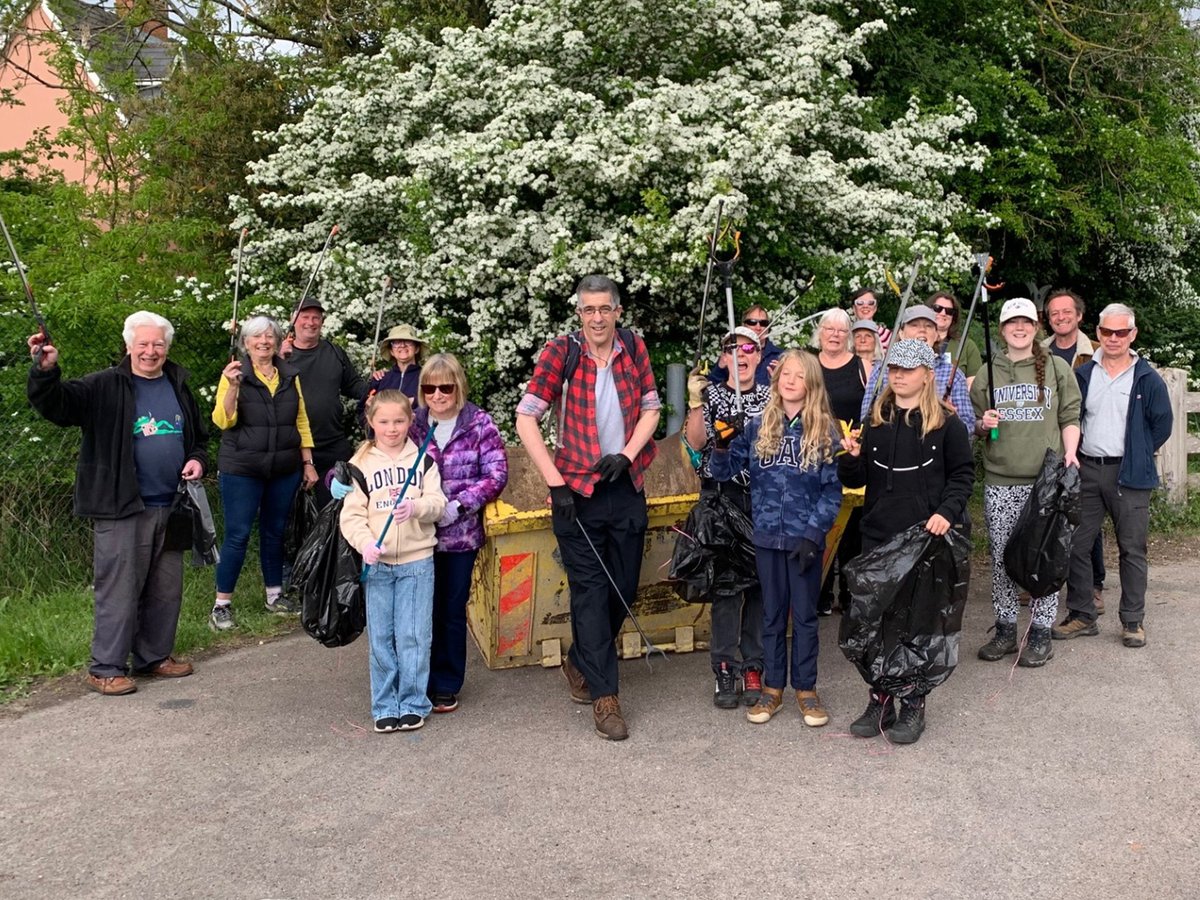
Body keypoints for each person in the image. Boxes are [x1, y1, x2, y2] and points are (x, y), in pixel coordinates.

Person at [26, 312, 208, 694]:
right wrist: (45, 372)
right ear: (128, 346)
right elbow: (58, 407)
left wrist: (197, 459)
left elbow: (197, 437)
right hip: (122, 506)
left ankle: (153, 657)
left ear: (167, 347)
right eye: (142, 343)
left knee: (165, 590)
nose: (150, 351)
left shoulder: (177, 383)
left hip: (172, 505)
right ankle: (106, 667)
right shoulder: (105, 385)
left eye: (158, 344)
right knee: (119, 589)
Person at [515, 274, 661, 741]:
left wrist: (628, 453)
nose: (596, 318)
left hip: (625, 481)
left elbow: (653, 409)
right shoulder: (562, 351)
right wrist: (556, 484)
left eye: (604, 309)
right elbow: (526, 418)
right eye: (588, 310)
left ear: (618, 311)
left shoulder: (634, 348)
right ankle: (605, 696)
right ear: (579, 313)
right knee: (590, 592)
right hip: (576, 491)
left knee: (624, 587)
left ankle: (580, 659)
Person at [838, 339, 975, 743]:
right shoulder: (876, 421)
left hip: (925, 541)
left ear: (927, 375)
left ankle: (913, 702)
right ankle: (880, 697)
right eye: (893, 368)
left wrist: (945, 513)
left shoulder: (948, 425)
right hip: (879, 537)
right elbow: (856, 479)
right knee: (876, 622)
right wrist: (849, 458)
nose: (898, 375)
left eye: (907, 369)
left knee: (918, 621)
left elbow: (963, 476)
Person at [710, 350, 842, 728]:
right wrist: (721, 443)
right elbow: (724, 471)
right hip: (767, 537)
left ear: (811, 384)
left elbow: (832, 491)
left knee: (803, 617)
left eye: (799, 376)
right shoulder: (757, 425)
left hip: (804, 540)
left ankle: (806, 689)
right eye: (786, 373)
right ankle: (772, 688)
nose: (790, 380)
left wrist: (814, 533)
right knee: (770, 616)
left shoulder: (825, 430)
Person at [1052, 303, 1172, 649]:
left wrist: (1137, 451)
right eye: (1108, 332)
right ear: (1098, 334)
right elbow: (1070, 416)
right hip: (1087, 468)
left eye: (1122, 332)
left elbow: (1161, 425)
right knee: (1076, 543)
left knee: (1132, 549)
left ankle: (1133, 621)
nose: (1114, 338)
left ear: (1133, 335)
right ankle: (1082, 614)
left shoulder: (1147, 378)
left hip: (1129, 472)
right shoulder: (1085, 374)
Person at [971, 298, 1081, 667]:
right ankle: (1004, 629)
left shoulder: (1056, 367)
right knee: (1003, 559)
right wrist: (982, 425)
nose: (1019, 328)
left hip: (1044, 481)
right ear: (1002, 330)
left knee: (1043, 558)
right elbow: (974, 424)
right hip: (1001, 478)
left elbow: (1069, 415)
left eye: (1027, 322)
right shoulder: (989, 371)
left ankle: (1040, 632)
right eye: (1012, 323)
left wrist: (1070, 455)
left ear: (1036, 327)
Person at [340, 390, 447, 732]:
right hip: (378, 564)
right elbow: (351, 516)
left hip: (417, 561)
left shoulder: (425, 460)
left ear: (410, 421)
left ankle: (414, 701)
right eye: (383, 421)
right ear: (370, 422)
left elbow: (438, 503)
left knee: (414, 635)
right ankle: (385, 704)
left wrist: (417, 508)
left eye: (399, 421)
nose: (391, 428)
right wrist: (365, 543)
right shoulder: (359, 465)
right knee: (382, 638)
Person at [409, 354, 508, 713]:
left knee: (450, 609)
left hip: (459, 536)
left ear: (458, 387)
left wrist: (460, 505)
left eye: (445, 387)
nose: (437, 394)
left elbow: (496, 474)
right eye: (429, 387)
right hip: (416, 533)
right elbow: (381, 453)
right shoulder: (413, 422)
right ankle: (416, 680)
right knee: (418, 610)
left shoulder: (479, 422)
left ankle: (447, 682)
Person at [211, 316, 319, 630]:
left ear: (276, 341)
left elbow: (300, 419)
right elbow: (223, 421)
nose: (264, 342)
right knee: (238, 535)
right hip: (242, 469)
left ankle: (274, 595)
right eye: (256, 337)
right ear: (246, 344)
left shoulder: (288, 374)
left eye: (269, 336)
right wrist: (232, 388)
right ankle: (222, 604)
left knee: (274, 532)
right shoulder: (234, 374)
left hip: (283, 468)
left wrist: (308, 462)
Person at [684, 326, 771, 709]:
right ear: (724, 357)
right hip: (721, 500)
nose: (742, 354)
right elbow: (696, 442)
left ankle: (753, 664)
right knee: (725, 589)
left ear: (759, 354)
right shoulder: (713, 394)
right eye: (733, 348)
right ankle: (723, 666)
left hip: (760, 499)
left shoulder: (771, 397)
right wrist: (696, 402)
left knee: (758, 589)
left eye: (749, 347)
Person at [1041, 288, 1106, 614]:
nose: (1061, 317)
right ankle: (1038, 575)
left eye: (1067, 312)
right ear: (1048, 319)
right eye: (1054, 313)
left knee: (1084, 519)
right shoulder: (1038, 352)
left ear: (1079, 316)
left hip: (1086, 445)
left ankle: (1093, 585)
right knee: (1044, 512)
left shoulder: (1095, 352)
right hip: (1047, 443)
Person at [280, 296, 369, 507]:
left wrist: (376, 390)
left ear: (322, 321)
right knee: (286, 515)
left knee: (334, 511)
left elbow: (353, 385)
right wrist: (277, 359)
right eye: (305, 317)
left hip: (332, 445)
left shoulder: (335, 352)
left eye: (316, 318)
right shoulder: (280, 355)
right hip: (291, 447)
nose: (310, 322)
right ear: (293, 320)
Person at [812, 308, 865, 616]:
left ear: (849, 336)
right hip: (815, 455)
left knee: (851, 528)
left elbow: (871, 405)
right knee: (820, 522)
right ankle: (819, 589)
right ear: (820, 332)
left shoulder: (861, 366)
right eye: (829, 329)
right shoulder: (808, 364)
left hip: (849, 452)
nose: (834, 334)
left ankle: (847, 591)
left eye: (841, 330)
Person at [861, 305, 975, 436]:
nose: (922, 330)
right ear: (901, 333)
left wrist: (952, 420)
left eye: (928, 326)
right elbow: (866, 418)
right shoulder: (882, 370)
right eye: (914, 325)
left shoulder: (953, 374)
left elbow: (969, 426)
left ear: (937, 335)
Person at [709, 304, 783, 386]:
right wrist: (720, 368)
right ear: (743, 325)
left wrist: (782, 378)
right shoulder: (732, 351)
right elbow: (712, 388)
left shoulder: (781, 356)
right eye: (752, 322)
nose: (758, 327)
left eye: (764, 323)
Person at [928, 291, 983, 388]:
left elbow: (973, 387)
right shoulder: (916, 341)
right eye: (937, 308)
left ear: (953, 317)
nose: (943, 313)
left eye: (949, 311)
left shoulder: (967, 346)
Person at [363, 323, 426, 408]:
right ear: (391, 351)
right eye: (396, 342)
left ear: (417, 349)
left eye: (408, 341)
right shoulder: (380, 379)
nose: (402, 345)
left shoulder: (427, 377)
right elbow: (361, 410)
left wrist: (414, 401)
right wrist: (369, 410)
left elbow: (436, 403)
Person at [852, 319, 884, 389]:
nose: (863, 340)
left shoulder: (883, 368)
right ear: (853, 342)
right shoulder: (847, 367)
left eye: (868, 336)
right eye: (858, 336)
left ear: (875, 341)